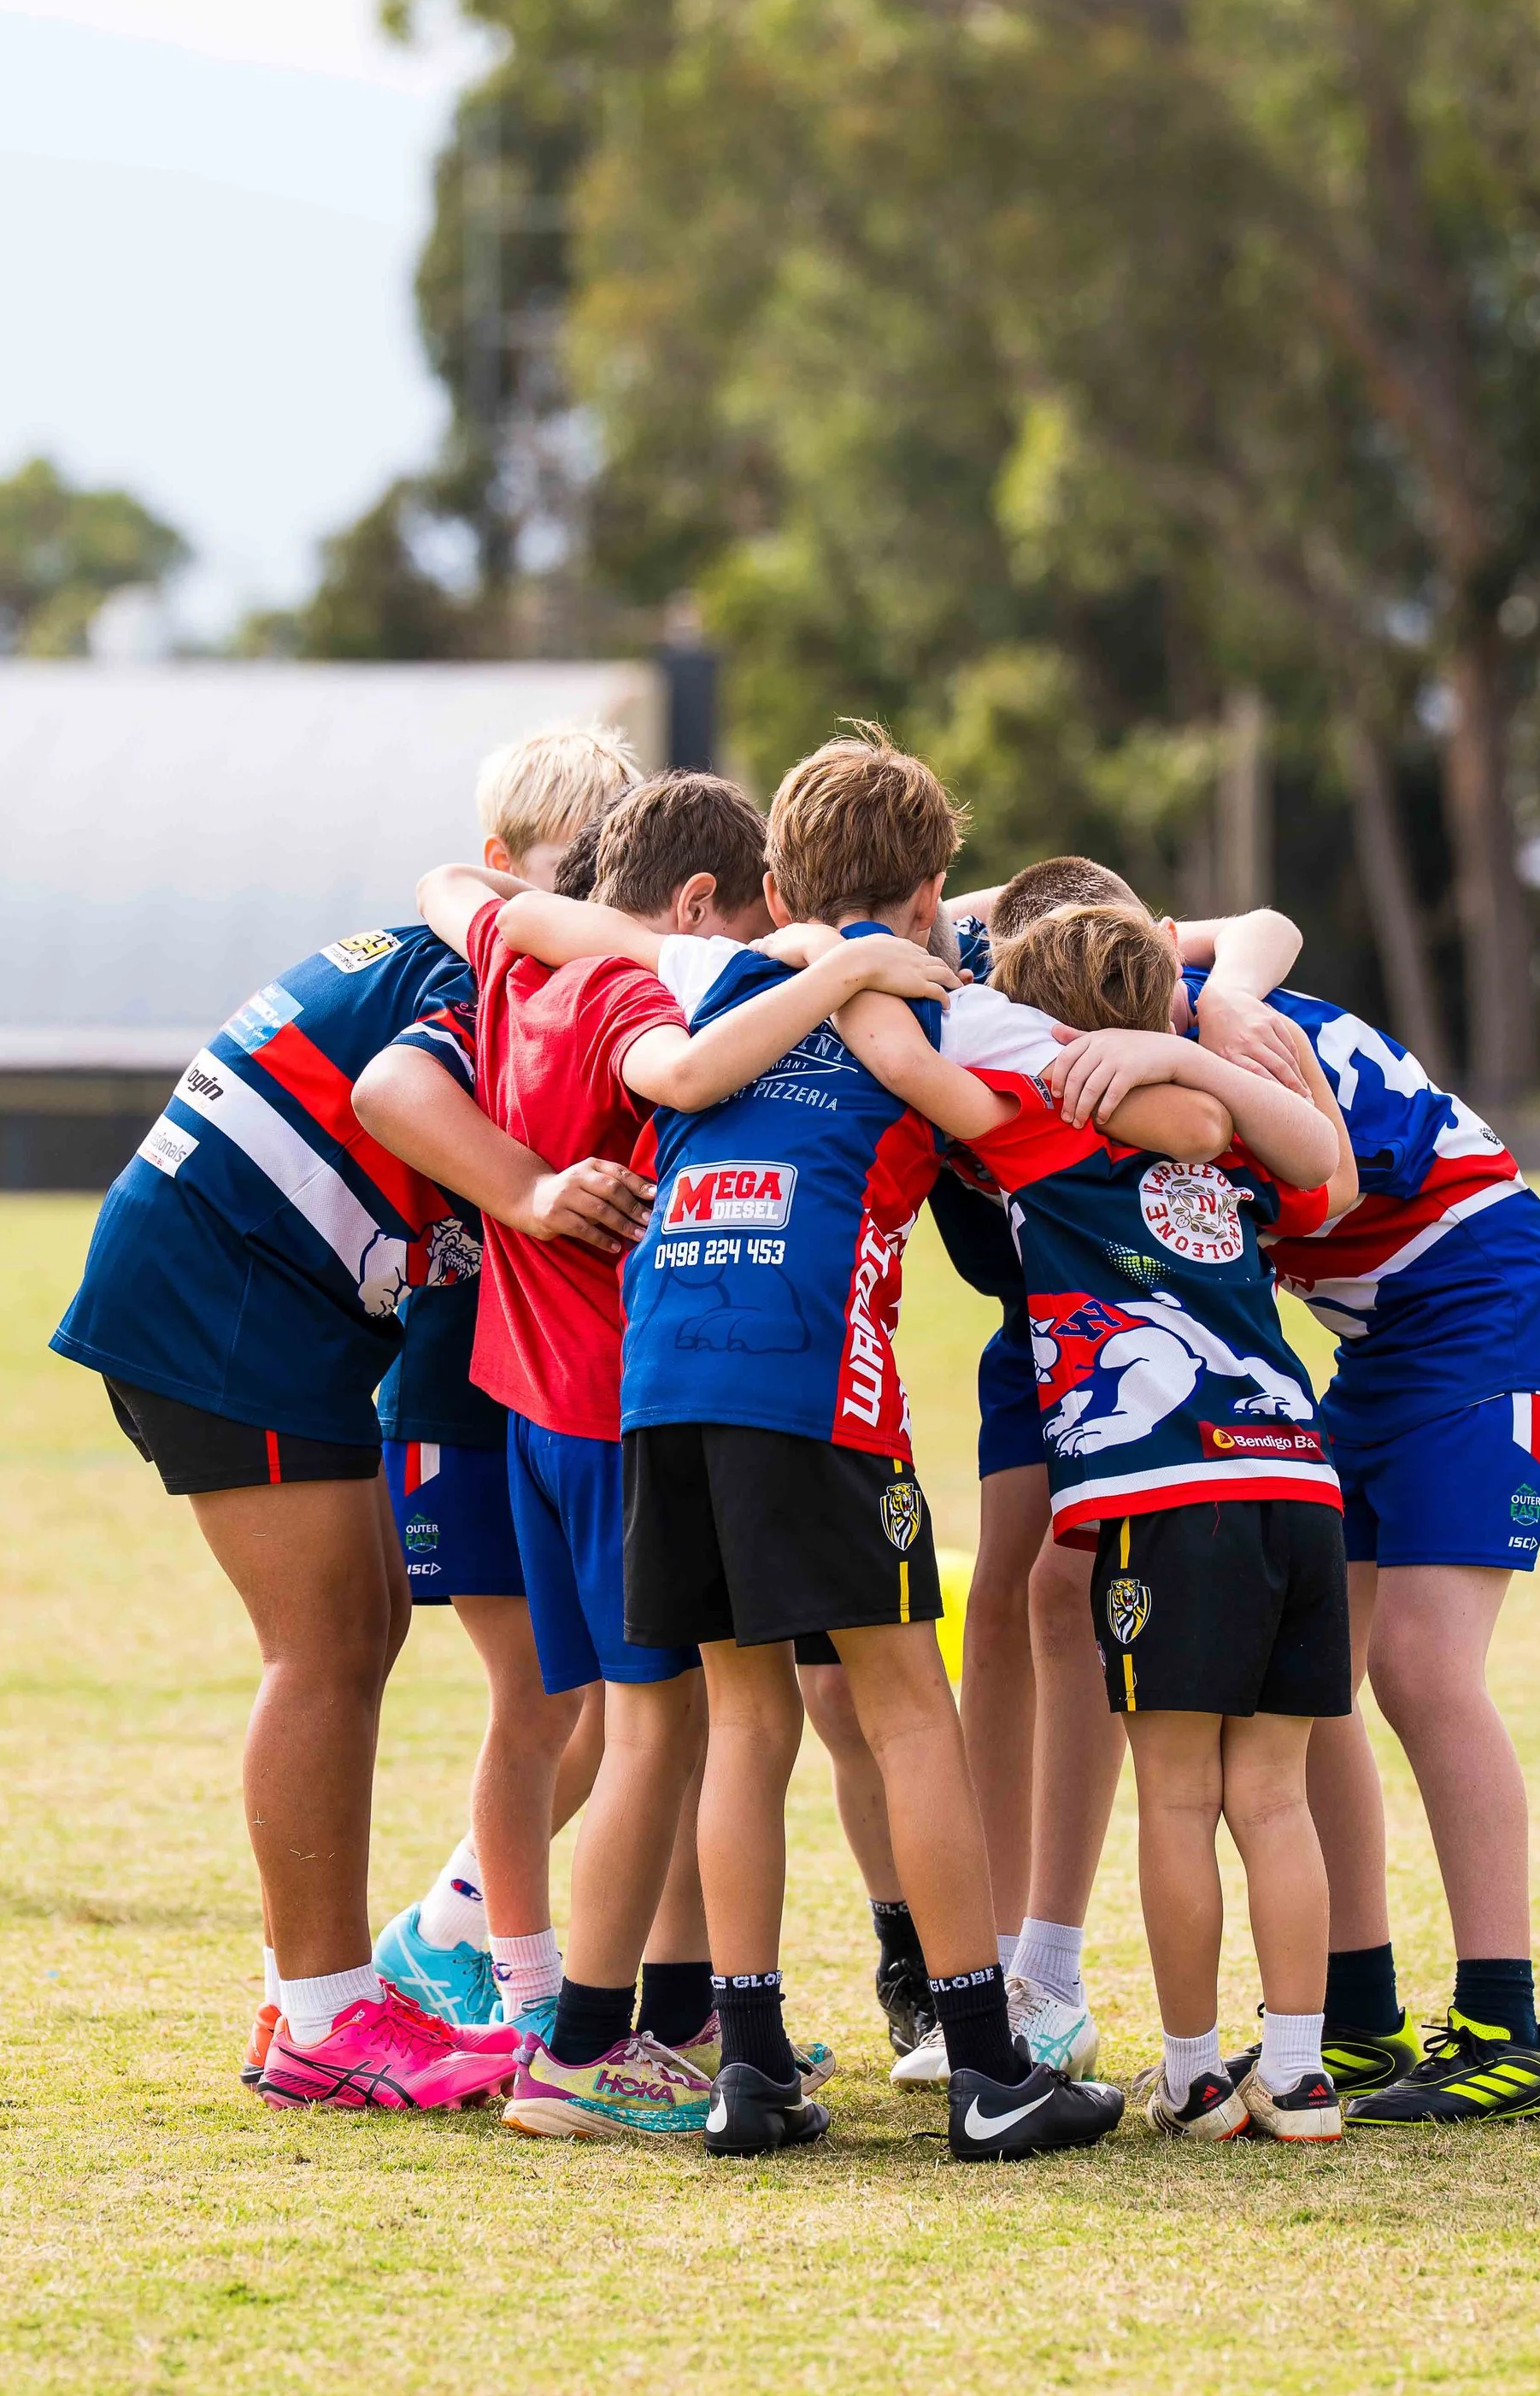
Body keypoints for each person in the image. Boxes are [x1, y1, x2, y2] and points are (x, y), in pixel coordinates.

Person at [490, 732, 1149, 2159]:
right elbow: (1066, 1112)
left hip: (658, 1377)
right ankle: (989, 2065)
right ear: (932, 892)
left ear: (775, 877)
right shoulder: (938, 1010)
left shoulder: (712, 971)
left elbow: (540, 919)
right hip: (812, 1385)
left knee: (743, 1717)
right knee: (911, 1702)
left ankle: (752, 2067)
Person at [389, 765, 969, 2144]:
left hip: (528, 1399)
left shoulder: (532, 972)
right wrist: (848, 967)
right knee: (659, 1727)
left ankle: (673, 2017)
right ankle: (584, 2041)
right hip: (625, 1394)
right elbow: (690, 1066)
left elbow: (461, 895)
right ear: (715, 897)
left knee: (636, 1718)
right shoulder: (653, 996)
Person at [833, 895, 1358, 2140]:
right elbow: (1321, 1167)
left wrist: (840, 957)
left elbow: (903, 1052)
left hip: (1164, 1497)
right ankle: (1297, 2070)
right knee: (1274, 1797)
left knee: (1177, 1796)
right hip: (1298, 1481)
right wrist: (1194, 1044)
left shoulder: (1035, 1121)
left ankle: (1190, 2073)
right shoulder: (1228, 1133)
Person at [48, 918, 572, 2112]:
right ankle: (329, 2019)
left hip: (258, 1289)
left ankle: (310, 1990)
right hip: (231, 1290)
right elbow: (399, 1096)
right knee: (326, 1642)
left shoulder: (476, 942)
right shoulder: (488, 972)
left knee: (363, 1627)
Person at [1186, 914, 1540, 2124]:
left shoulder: (1217, 1040)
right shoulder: (1181, 984)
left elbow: (1325, 1191)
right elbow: (1254, 923)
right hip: (1385, 1341)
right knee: (1306, 1673)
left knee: (1420, 1666)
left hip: (1485, 1315)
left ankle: (1502, 2024)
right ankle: (1356, 2016)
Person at [358, 724, 644, 2039]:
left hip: (568, 1393)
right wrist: (527, 1192)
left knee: (600, 1698)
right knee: (542, 1697)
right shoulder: (475, 982)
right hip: (461, 1395)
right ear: (502, 866)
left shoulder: (610, 984)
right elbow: (396, 1087)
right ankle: (521, 1985)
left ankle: (458, 1930)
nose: (584, 901)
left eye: (606, 870)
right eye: (561, 870)